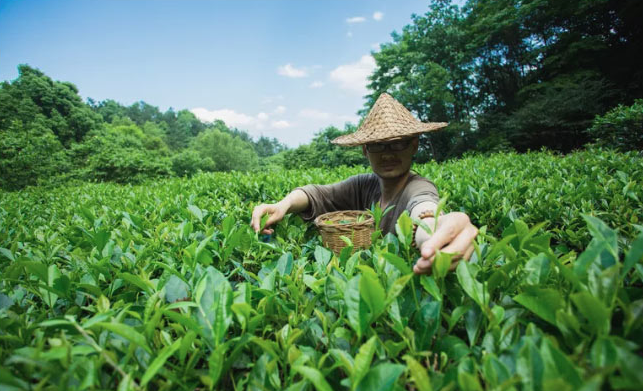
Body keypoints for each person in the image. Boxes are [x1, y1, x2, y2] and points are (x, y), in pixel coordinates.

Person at [251, 93, 478, 274]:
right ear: (365, 150)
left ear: (414, 146)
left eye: (398, 143)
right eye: (378, 145)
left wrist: (433, 234)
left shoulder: (417, 187)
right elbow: (317, 194)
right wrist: (283, 205)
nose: (388, 154)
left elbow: (424, 210)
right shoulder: (364, 185)